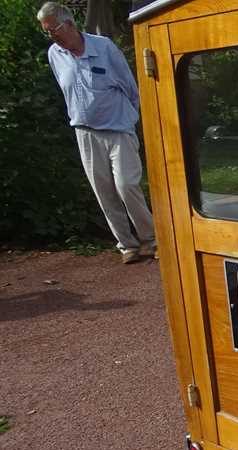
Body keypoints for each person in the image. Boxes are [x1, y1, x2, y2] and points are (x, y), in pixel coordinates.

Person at [37, 2, 156, 264]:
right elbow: (65, 89)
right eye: (47, 32)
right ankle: (127, 245)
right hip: (85, 132)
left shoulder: (104, 47)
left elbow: (130, 87)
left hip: (118, 129)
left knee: (127, 185)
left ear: (69, 24)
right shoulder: (54, 54)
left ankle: (150, 238)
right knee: (104, 191)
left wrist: (129, 118)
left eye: (53, 29)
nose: (52, 36)